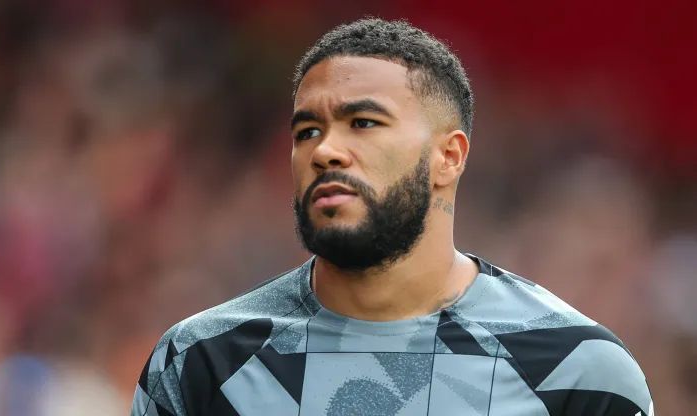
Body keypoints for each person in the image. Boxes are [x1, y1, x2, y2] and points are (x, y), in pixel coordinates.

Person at [131, 18, 653, 416]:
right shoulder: (202, 363)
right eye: (307, 131)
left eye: (363, 122)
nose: (325, 150)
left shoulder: (576, 370)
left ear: (448, 157)